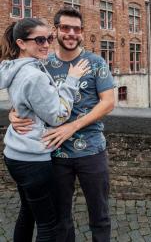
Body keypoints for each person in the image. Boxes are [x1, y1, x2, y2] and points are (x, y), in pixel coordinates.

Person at [10, 7, 115, 242]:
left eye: (77, 29)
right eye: (65, 28)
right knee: (60, 219)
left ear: (82, 33)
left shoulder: (95, 62)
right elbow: (26, 93)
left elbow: (108, 103)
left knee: (100, 215)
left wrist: (72, 126)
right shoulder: (42, 63)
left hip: (92, 150)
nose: (71, 33)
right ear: (56, 30)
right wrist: (13, 113)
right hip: (54, 153)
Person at [0, 18, 88, 242]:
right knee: (49, 225)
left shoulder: (13, 67)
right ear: (21, 43)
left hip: (14, 153)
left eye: (49, 38)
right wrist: (71, 80)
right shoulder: (34, 75)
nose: (47, 44)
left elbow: (27, 101)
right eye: (39, 39)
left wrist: (13, 112)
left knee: (27, 212)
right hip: (33, 159)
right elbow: (58, 117)